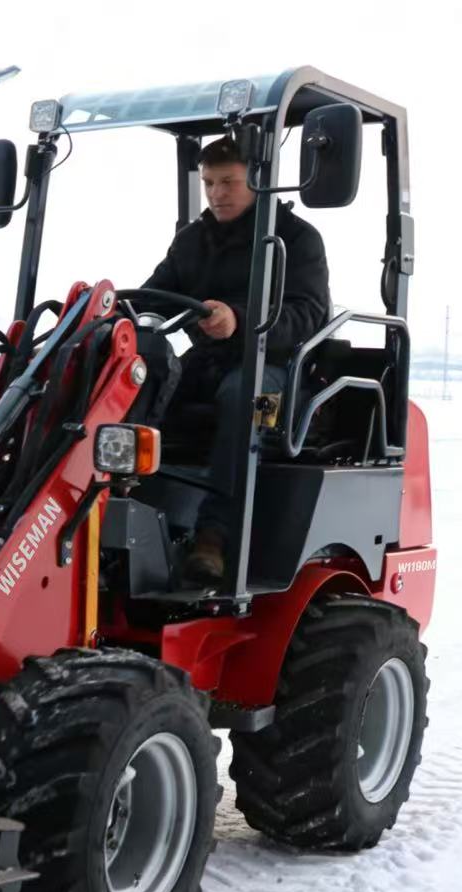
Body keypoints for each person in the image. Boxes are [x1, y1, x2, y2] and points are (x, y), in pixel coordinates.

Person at [142, 135, 331, 583]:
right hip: (207, 361)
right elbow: (155, 295)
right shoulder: (192, 241)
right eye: (209, 183)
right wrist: (115, 315)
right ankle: (121, 508)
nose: (216, 193)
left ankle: (214, 537)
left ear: (259, 179)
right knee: (140, 380)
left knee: (244, 398)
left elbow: (309, 314)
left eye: (228, 182)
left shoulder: (297, 239)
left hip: (278, 374)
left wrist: (240, 320)